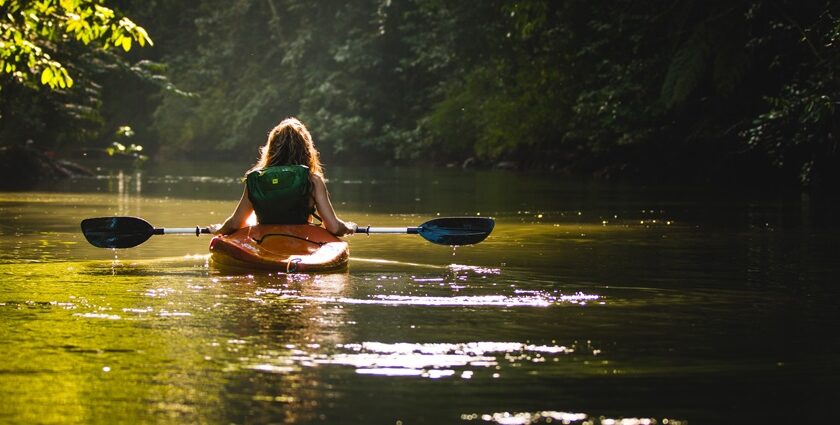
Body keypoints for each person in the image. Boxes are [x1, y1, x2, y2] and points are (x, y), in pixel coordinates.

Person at [209, 117, 356, 236]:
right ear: (306, 149)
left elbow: (236, 223)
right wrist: (348, 227)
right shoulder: (313, 181)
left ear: (271, 148)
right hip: (302, 241)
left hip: (265, 242)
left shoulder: (256, 180)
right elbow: (334, 228)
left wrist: (219, 230)